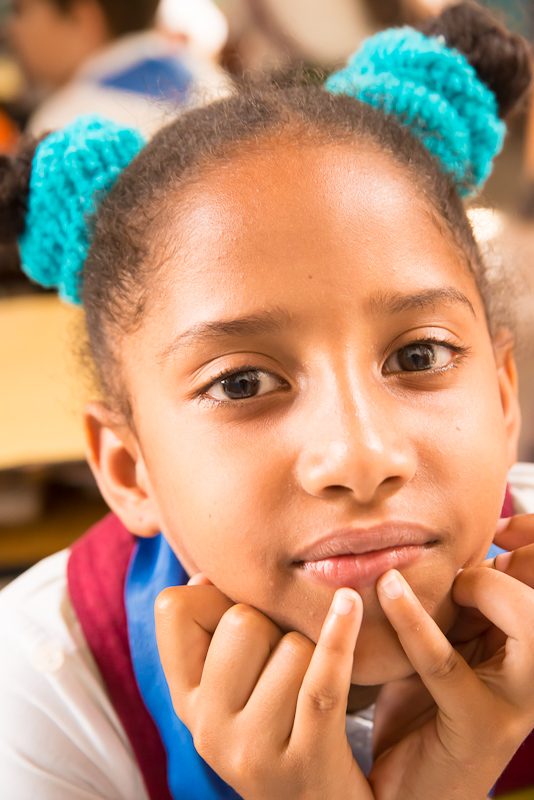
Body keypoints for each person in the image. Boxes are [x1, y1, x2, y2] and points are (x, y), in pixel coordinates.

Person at [1, 2, 534, 798]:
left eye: (418, 355)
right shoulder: (48, 689)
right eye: (242, 382)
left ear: (502, 398)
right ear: (129, 468)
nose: (359, 456)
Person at [6, 0, 228, 138]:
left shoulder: (62, 125)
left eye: (21, 9)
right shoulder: (207, 75)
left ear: (81, 18)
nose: (11, 29)